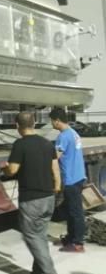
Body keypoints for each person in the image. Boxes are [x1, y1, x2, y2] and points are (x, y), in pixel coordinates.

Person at [5, 112, 61, 274]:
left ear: (17, 126)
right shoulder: (47, 143)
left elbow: (13, 170)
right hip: (48, 196)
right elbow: (55, 168)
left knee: (31, 236)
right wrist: (57, 186)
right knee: (40, 235)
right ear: (34, 123)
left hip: (32, 199)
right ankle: (38, 271)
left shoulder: (20, 144)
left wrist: (5, 168)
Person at [49, 107, 87, 252]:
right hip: (78, 176)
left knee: (76, 212)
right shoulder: (73, 133)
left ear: (57, 121)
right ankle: (70, 238)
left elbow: (56, 157)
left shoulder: (63, 136)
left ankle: (78, 243)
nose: (51, 124)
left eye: (52, 121)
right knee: (71, 210)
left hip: (71, 179)